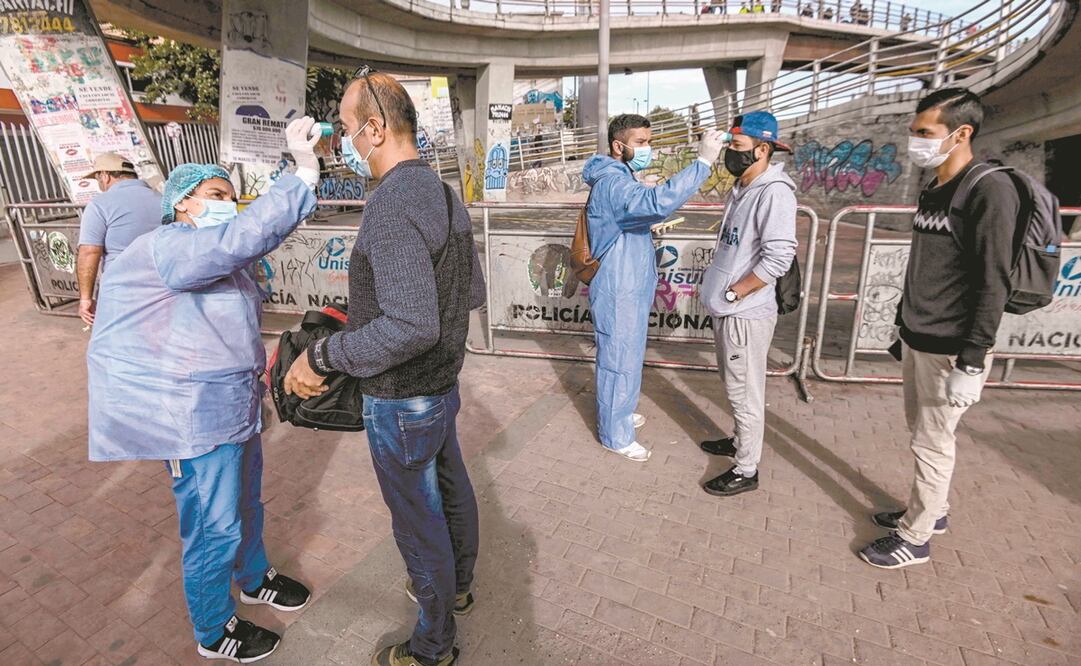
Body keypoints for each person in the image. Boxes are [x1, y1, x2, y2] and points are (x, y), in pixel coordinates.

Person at [86, 117, 322, 663]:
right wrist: (301, 173)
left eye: (232, 197)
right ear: (183, 203)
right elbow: (245, 235)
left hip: (232, 407)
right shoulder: (168, 245)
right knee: (212, 523)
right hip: (191, 418)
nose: (227, 204)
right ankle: (214, 628)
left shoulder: (212, 254)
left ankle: (254, 575)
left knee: (244, 503)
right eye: (216, 195)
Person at [283, 69, 485, 666]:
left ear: (374, 129)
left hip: (402, 400)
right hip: (441, 385)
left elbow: (410, 324)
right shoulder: (443, 192)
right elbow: (466, 291)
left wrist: (322, 357)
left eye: (345, 130)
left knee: (418, 528)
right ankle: (461, 587)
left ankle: (432, 645)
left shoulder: (393, 202)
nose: (341, 142)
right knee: (451, 489)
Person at [859, 88, 1018, 569]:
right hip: (920, 337)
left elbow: (995, 282)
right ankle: (933, 511)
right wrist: (902, 326)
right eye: (913, 133)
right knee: (922, 432)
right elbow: (927, 266)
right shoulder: (934, 187)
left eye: (924, 133)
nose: (916, 142)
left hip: (952, 345)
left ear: (961, 133)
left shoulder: (989, 190)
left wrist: (972, 359)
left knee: (932, 441)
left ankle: (916, 537)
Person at [581, 115, 725, 462]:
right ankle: (614, 434)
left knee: (629, 352)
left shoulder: (621, 176)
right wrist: (702, 163)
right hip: (618, 285)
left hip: (630, 281)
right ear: (619, 146)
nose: (648, 148)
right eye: (641, 142)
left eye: (648, 140)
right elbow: (655, 202)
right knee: (618, 357)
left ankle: (622, 410)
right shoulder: (613, 183)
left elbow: (638, 213)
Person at [698, 111, 796, 497]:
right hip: (728, 310)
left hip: (744, 312)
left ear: (763, 149)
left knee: (745, 391)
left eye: (736, 148)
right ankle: (740, 439)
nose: (729, 154)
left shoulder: (774, 192)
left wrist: (735, 292)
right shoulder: (743, 186)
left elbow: (778, 257)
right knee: (733, 382)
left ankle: (746, 468)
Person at [75, 152, 161, 325]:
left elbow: (89, 252)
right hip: (163, 284)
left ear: (105, 176)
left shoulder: (100, 204)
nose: (100, 185)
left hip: (122, 290)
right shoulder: (163, 199)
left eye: (98, 179)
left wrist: (86, 299)